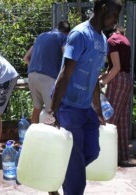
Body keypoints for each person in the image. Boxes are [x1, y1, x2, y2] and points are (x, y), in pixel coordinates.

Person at [45, 0, 122, 194]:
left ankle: (57, 174)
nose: (116, 20)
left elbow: (94, 77)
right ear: (103, 9)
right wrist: (52, 111)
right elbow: (65, 73)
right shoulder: (80, 34)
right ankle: (71, 186)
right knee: (75, 162)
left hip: (85, 107)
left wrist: (97, 109)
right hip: (68, 105)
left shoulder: (102, 39)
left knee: (92, 152)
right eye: (115, 14)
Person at [100, 25, 136, 167]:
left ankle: (104, 156)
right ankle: (123, 157)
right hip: (127, 79)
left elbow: (116, 67)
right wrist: (103, 76)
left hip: (118, 80)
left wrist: (103, 83)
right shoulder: (124, 39)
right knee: (122, 120)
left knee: (109, 117)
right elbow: (117, 66)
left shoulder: (112, 41)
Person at [23, 20, 70, 123]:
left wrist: (37, 67)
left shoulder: (41, 36)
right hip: (48, 78)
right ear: (67, 32)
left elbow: (26, 58)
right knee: (52, 112)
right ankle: (52, 138)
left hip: (32, 75)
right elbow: (67, 57)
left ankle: (33, 137)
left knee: (37, 108)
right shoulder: (63, 38)